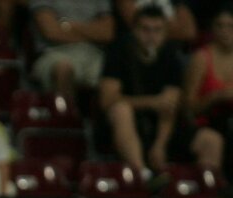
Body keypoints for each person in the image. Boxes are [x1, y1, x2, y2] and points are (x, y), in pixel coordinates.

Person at [99, 5, 198, 181]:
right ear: (134, 30)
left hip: (160, 128)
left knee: (209, 138)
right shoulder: (119, 52)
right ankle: (141, 174)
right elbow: (107, 100)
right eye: (145, 29)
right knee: (121, 110)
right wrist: (152, 102)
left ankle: (206, 184)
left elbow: (170, 104)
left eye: (157, 30)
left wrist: (160, 145)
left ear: (166, 32)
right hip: (122, 127)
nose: (151, 36)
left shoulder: (170, 56)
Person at [29, 0, 115, 100]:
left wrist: (68, 25)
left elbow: (107, 33)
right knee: (63, 68)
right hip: (54, 52)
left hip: (94, 53)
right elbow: (51, 32)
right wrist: (93, 31)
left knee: (113, 76)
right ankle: (65, 109)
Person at [183, 4, 233, 172]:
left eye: (230, 26)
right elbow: (188, 109)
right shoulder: (201, 58)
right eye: (220, 25)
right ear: (212, 29)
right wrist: (216, 96)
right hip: (205, 123)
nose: (225, 31)